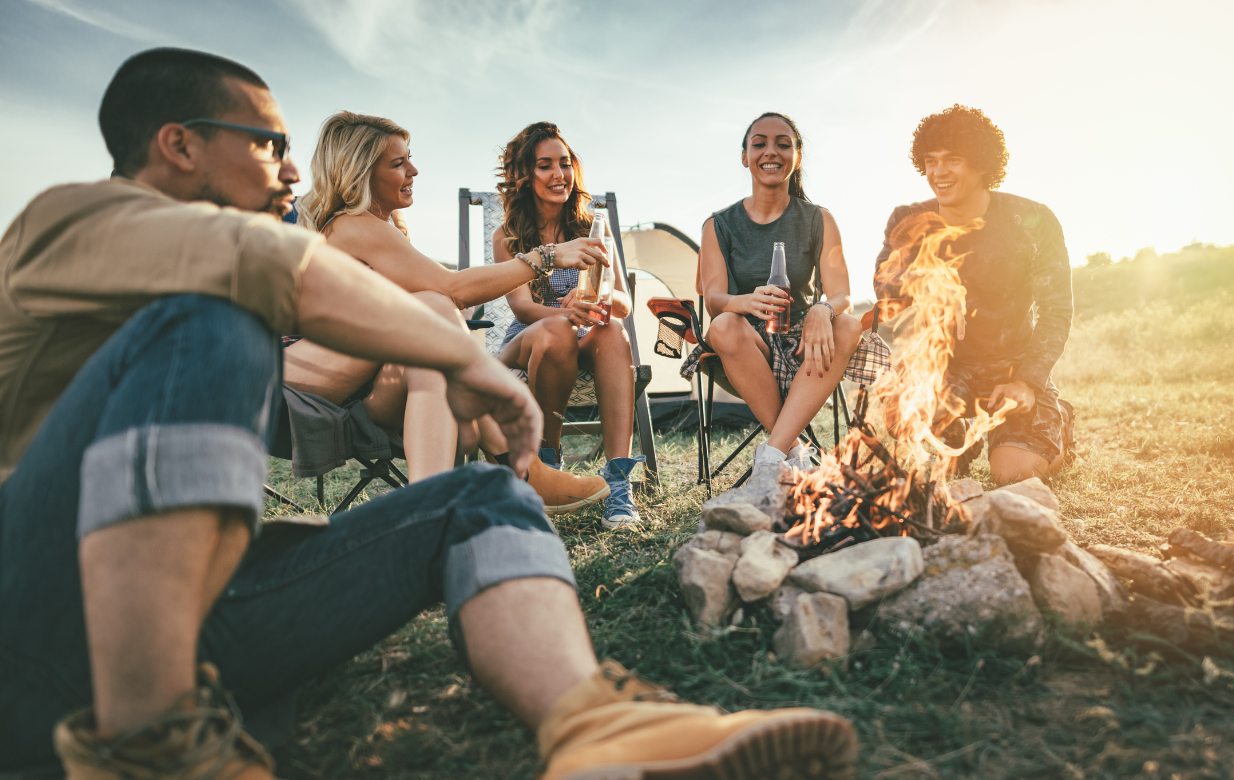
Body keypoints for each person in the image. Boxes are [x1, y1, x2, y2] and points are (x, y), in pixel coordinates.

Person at [0, 48, 858, 779]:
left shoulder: (267, 247)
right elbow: (274, 269)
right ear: (178, 145)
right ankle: (154, 741)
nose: (293, 170)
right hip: (30, 606)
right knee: (211, 314)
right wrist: (458, 355)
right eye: (269, 145)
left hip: (199, 620)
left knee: (479, 499)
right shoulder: (69, 220)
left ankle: (595, 725)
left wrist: (455, 354)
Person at [284, 111, 608, 513]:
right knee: (435, 307)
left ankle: (432, 517)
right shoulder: (352, 225)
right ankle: (521, 467)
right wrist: (547, 255)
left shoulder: (382, 229)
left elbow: (451, 294)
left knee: (433, 356)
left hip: (363, 390)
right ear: (361, 172)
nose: (414, 170)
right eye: (398, 162)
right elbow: (451, 289)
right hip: (300, 377)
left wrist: (454, 303)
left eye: (410, 159)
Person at [874, 104, 1075, 484]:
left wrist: (1028, 382)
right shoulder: (907, 219)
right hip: (943, 368)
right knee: (907, 420)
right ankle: (957, 443)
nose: (938, 172)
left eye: (953, 160)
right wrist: (927, 280)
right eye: (931, 161)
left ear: (982, 164)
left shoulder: (1032, 221)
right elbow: (885, 285)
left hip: (1013, 367)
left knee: (1014, 473)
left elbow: (1056, 311)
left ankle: (1058, 422)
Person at [683, 112, 866, 469]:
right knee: (722, 325)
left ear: (797, 156)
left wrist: (821, 310)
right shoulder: (718, 225)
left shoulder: (818, 218)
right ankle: (792, 451)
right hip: (746, 351)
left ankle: (773, 458)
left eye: (784, 144)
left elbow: (842, 294)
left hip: (805, 347)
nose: (771, 152)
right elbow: (715, 301)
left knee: (848, 325)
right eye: (760, 143)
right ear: (744, 156)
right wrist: (747, 301)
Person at [492, 122, 644, 529]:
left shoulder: (592, 228)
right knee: (558, 331)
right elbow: (523, 309)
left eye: (564, 163)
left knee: (612, 329)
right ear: (525, 175)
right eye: (545, 165)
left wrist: (601, 299)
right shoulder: (508, 236)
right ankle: (547, 467)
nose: (558, 175)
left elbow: (623, 304)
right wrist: (567, 314)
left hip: (585, 336)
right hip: (529, 339)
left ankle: (617, 481)